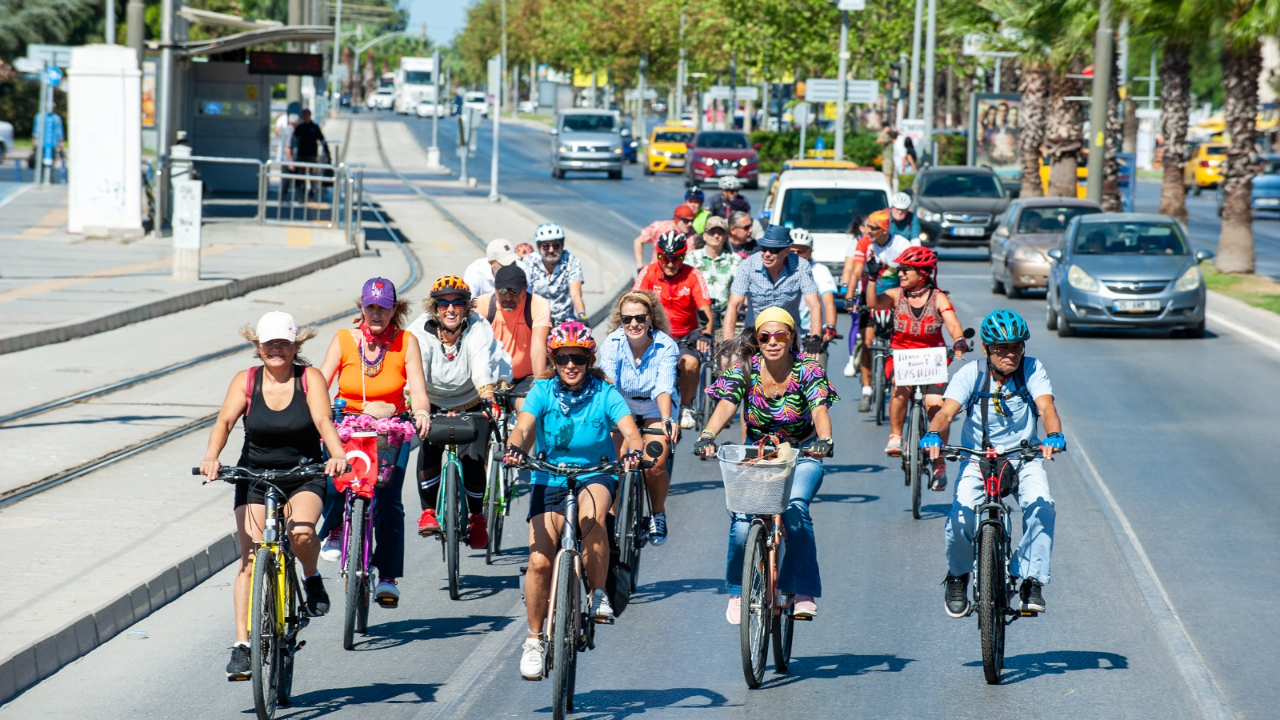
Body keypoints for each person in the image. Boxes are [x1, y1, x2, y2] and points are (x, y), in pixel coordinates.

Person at [199, 312, 349, 680]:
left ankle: (311, 576)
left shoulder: (309, 378)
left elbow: (323, 422)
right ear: (258, 347)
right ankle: (242, 645)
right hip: (255, 475)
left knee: (301, 534)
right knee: (250, 558)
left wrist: (338, 454)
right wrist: (212, 457)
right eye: (269, 344)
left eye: (283, 343)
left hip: (303, 474)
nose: (276, 350)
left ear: (296, 346)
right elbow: (224, 422)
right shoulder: (246, 381)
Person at [504, 322, 645, 680]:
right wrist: (515, 448)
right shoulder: (542, 390)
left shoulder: (604, 392)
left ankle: (597, 593)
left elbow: (630, 430)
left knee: (592, 517)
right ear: (553, 358)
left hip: (594, 473)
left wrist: (635, 452)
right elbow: (523, 427)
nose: (571, 365)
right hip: (547, 473)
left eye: (579, 358)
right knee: (538, 562)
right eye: (564, 358)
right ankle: (534, 640)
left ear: (588, 359)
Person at [695, 307, 837, 623]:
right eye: (765, 336)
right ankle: (737, 590)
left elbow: (819, 409)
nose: (772, 341)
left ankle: (801, 590)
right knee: (743, 521)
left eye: (780, 335)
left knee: (796, 509)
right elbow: (727, 404)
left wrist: (824, 439)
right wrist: (707, 435)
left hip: (802, 454)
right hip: (758, 457)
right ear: (758, 340)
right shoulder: (746, 370)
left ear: (791, 337)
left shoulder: (808, 370)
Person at [920, 310, 1064, 617]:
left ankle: (1029, 579)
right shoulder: (971, 374)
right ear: (986, 349)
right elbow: (946, 413)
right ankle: (958, 575)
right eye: (1001, 348)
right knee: (959, 520)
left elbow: (1047, 407)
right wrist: (933, 433)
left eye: (1016, 347)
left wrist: (1053, 434)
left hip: (1023, 458)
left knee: (1043, 508)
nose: (1010, 354)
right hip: (977, 460)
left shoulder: (1032, 369)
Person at [316, 278, 432, 608]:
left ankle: (388, 577)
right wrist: (312, 412)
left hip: (389, 428)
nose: (376, 313)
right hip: (346, 424)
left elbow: (419, 393)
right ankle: (336, 527)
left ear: (394, 309)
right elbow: (320, 383)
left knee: (388, 497)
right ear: (361, 308)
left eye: (383, 307)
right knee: (334, 480)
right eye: (370, 307)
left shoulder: (406, 342)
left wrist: (421, 412)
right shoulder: (343, 340)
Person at [865, 246, 969, 490]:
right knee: (901, 389)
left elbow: (953, 323)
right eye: (900, 270)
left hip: (934, 357)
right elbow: (873, 303)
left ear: (923, 273)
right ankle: (896, 437)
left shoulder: (939, 297)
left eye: (906, 270)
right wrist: (872, 278)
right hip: (901, 355)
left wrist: (959, 340)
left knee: (935, 405)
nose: (901, 274)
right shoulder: (895, 294)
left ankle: (939, 462)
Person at [409, 276, 501, 547]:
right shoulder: (418, 331)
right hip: (432, 400)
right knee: (428, 445)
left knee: (473, 459)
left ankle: (477, 517)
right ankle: (427, 511)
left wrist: (488, 397)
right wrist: (418, 408)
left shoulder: (478, 326)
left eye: (458, 303)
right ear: (434, 308)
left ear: (467, 307)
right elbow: (417, 370)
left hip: (471, 401)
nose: (450, 309)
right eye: (443, 304)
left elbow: (480, 361)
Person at [598, 292, 681, 545]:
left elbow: (664, 387)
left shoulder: (666, 345)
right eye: (627, 319)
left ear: (650, 318)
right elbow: (608, 384)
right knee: (616, 462)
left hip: (656, 406)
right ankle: (610, 519)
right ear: (620, 321)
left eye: (639, 318)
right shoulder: (612, 343)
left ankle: (657, 513)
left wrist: (667, 419)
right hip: (622, 405)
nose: (633, 324)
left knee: (653, 463)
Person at [633, 230, 714, 429]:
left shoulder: (693, 274)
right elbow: (632, 302)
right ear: (658, 255)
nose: (670, 263)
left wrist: (706, 335)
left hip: (685, 334)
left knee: (691, 363)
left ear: (683, 256)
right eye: (665, 258)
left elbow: (706, 310)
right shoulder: (648, 272)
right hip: (654, 332)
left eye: (676, 258)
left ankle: (685, 407)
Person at [843, 209, 920, 410]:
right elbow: (856, 271)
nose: (868, 231)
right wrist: (850, 296)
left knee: (900, 340)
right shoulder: (864, 243)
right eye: (867, 227)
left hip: (895, 297)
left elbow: (912, 272)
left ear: (885, 229)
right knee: (868, 341)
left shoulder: (902, 244)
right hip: (869, 295)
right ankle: (867, 390)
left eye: (873, 228)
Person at [723, 225, 824, 351]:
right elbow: (734, 305)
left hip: (787, 336)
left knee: (804, 368)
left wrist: (815, 338)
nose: (767, 254)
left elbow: (813, 304)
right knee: (744, 368)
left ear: (787, 251)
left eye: (774, 250)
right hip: (756, 335)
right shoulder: (747, 266)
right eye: (764, 249)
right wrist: (727, 341)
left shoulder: (801, 266)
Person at [474, 264, 553, 410]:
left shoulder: (537, 305)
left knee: (528, 411)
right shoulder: (481, 305)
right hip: (489, 378)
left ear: (525, 289)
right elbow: (473, 348)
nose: (508, 297)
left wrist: (540, 386)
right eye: (502, 290)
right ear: (495, 288)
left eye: (514, 291)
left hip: (525, 378)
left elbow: (538, 348)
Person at [518, 222, 586, 325]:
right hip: (537, 320)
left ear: (562, 246)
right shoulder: (529, 261)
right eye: (545, 246)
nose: (551, 250)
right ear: (538, 247)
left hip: (564, 322)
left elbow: (576, 294)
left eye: (556, 245)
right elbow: (524, 292)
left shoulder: (572, 261)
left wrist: (582, 316)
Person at [788, 228, 838, 354]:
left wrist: (830, 326)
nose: (795, 255)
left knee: (816, 370)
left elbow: (828, 302)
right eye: (792, 251)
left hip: (812, 333)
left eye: (800, 251)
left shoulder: (821, 271)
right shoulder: (780, 270)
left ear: (810, 252)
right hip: (786, 332)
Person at [685, 216, 741, 310]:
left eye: (720, 232)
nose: (716, 235)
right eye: (712, 232)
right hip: (696, 313)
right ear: (704, 236)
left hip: (724, 313)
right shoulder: (691, 258)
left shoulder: (735, 260)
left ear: (726, 237)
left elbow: (740, 290)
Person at [633, 204, 696, 271]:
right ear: (677, 219)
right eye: (686, 221)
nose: (690, 224)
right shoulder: (660, 227)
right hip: (656, 272)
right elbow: (638, 242)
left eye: (692, 221)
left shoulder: (694, 235)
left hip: (680, 276)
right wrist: (640, 266)